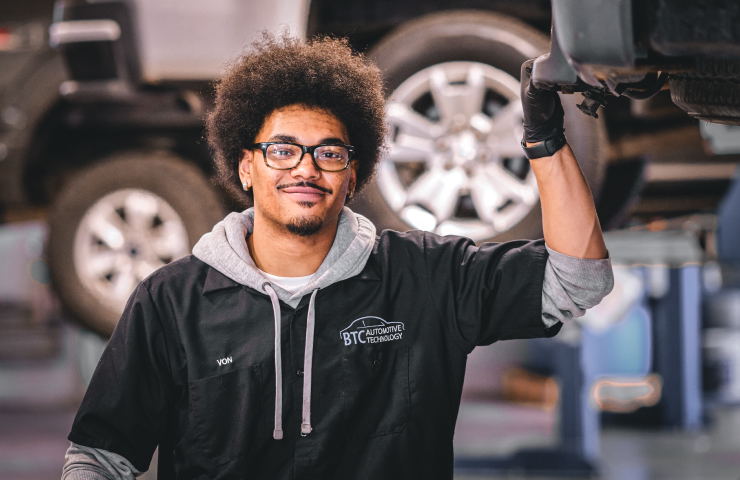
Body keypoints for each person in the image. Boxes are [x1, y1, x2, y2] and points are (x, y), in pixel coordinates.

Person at [62, 34, 613, 480]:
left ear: (353, 175)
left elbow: (578, 280)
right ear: (246, 167)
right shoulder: (171, 302)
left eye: (329, 152)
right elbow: (100, 458)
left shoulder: (428, 278)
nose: (306, 169)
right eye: (282, 150)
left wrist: (544, 140)